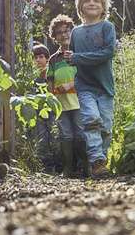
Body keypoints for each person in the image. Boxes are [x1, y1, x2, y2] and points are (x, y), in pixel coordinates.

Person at [64, 0, 116, 177]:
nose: (92, 3)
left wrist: (78, 57)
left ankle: (103, 157)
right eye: (87, 0)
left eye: (96, 1)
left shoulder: (107, 27)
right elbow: (71, 57)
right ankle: (97, 161)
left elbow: (108, 53)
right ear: (80, 7)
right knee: (91, 120)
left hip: (105, 86)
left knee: (105, 126)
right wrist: (71, 57)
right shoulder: (76, 33)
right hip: (85, 85)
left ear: (103, 8)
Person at [47, 15, 92, 178]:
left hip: (78, 102)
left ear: (73, 32)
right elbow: (50, 80)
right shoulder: (53, 59)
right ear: (54, 37)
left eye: (67, 31)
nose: (64, 34)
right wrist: (51, 96)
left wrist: (69, 85)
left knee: (81, 133)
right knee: (65, 135)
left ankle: (87, 167)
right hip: (61, 105)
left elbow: (85, 75)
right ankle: (67, 169)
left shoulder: (79, 54)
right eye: (59, 32)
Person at [31, 42, 62, 174]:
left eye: (41, 57)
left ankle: (60, 167)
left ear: (47, 58)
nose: (38, 60)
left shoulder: (51, 71)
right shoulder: (32, 76)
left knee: (54, 138)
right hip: (38, 112)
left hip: (52, 110)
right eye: (35, 58)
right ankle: (46, 169)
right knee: (41, 139)